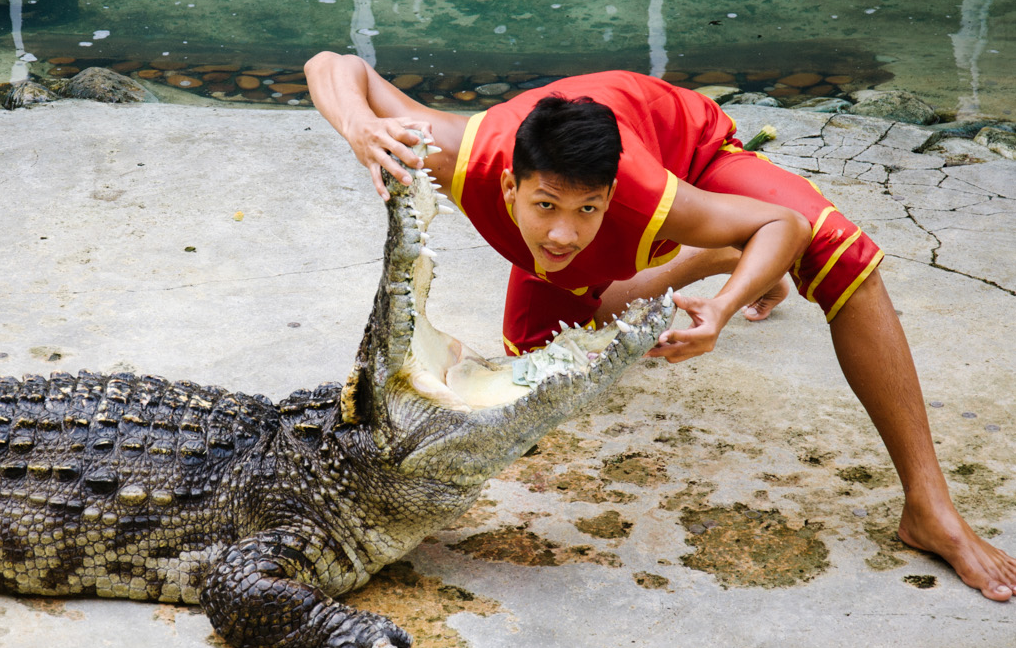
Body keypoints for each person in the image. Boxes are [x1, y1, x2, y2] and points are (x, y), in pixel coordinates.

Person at [304, 50, 1016, 602]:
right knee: (542, 353)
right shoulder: (453, 153)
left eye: (586, 210)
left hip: (687, 146)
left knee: (833, 246)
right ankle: (714, 255)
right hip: (601, 198)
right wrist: (358, 128)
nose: (559, 232)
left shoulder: (649, 197)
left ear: (611, 198)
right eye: (543, 205)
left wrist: (723, 309)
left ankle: (928, 506)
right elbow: (334, 67)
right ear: (509, 186)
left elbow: (785, 222)